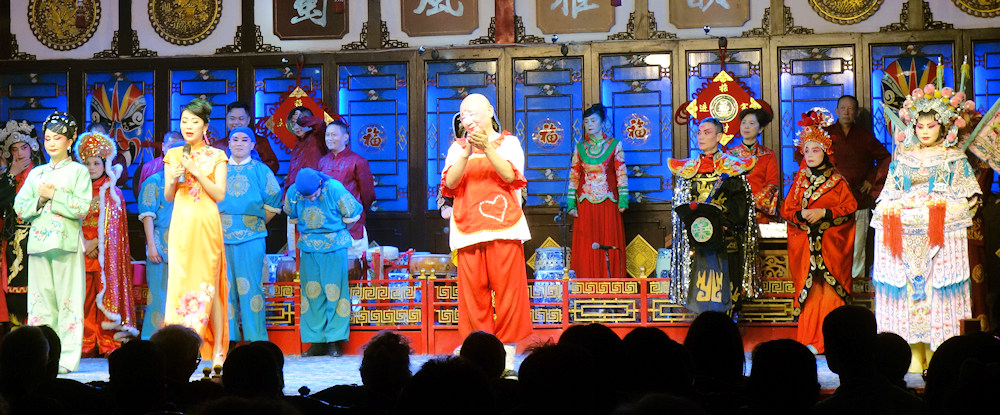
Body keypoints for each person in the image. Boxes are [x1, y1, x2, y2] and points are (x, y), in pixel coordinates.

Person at [871, 83, 980, 373]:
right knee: (906, 295)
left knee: (939, 293)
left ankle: (940, 353)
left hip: (940, 237)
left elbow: (970, 200)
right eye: (919, 126)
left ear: (943, 127)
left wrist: (942, 209)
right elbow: (888, 195)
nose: (924, 131)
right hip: (904, 235)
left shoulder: (954, 158)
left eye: (931, 126)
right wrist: (895, 208)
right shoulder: (903, 158)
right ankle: (906, 353)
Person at [441, 93, 533, 364]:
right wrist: (467, 152)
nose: (467, 120)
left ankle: (507, 355)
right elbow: (450, 184)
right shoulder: (457, 148)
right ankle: (478, 355)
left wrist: (488, 149)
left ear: (490, 111)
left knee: (509, 293)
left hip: (504, 228)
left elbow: (510, 175)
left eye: (472, 113)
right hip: (467, 228)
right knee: (473, 297)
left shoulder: (510, 143)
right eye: (463, 115)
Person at [13, 112, 92, 373]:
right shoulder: (37, 173)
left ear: (70, 141)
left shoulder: (79, 171)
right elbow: (20, 207)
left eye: (57, 138)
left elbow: (81, 208)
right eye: (47, 138)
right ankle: (41, 357)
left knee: (69, 301)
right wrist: (40, 200)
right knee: (40, 303)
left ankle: (66, 359)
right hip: (38, 245)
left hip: (66, 243)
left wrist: (54, 196)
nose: (51, 143)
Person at [781, 111, 857, 354]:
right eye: (807, 151)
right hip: (806, 248)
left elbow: (850, 209)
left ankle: (834, 342)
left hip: (831, 248)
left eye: (815, 150)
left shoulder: (837, 181)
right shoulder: (799, 181)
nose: (811, 155)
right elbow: (787, 210)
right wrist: (801, 215)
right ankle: (810, 340)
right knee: (811, 293)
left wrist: (825, 213)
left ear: (826, 152)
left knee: (831, 292)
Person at [162, 98, 230, 367]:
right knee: (179, 285)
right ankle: (178, 349)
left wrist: (196, 171)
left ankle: (218, 351)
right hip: (181, 225)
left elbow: (219, 194)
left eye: (194, 121)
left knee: (208, 286)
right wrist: (173, 178)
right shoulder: (173, 155)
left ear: (205, 126)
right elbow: (169, 196)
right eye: (184, 121)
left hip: (205, 225)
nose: (188, 126)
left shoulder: (217, 156)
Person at [667, 118, 758, 314]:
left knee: (726, 293)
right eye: (699, 132)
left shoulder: (732, 169)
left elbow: (740, 210)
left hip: (726, 241)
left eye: (707, 132)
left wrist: (722, 220)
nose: (700, 136)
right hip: (697, 242)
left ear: (719, 137)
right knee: (700, 294)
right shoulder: (689, 170)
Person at [796, 96, 892, 280]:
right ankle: (833, 280)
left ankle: (857, 282)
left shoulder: (865, 136)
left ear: (856, 112)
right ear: (837, 111)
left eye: (851, 109)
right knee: (832, 244)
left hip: (858, 197)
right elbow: (803, 154)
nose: (847, 112)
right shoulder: (825, 134)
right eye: (843, 108)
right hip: (830, 199)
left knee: (858, 245)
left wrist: (871, 179)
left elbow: (885, 158)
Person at [284, 167, 362, 357]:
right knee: (311, 293)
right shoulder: (294, 192)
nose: (311, 199)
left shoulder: (334, 188)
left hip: (334, 246)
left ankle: (335, 340)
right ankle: (316, 341)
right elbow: (292, 217)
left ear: (320, 184)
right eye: (307, 196)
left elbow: (352, 216)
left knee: (335, 292)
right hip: (308, 247)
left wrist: (336, 232)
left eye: (313, 194)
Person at [219, 126, 281, 346]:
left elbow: (273, 200)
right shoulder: (218, 169)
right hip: (221, 235)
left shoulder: (261, 170)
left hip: (252, 235)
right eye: (235, 139)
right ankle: (229, 338)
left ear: (253, 145)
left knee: (251, 286)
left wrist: (254, 222)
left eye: (245, 140)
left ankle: (256, 338)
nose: (239, 143)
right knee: (225, 287)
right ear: (228, 143)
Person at [77, 131, 137, 356]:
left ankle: (106, 340)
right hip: (81, 250)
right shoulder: (77, 190)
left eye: (96, 163)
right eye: (87, 163)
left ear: (105, 164)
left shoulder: (113, 192)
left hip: (104, 255)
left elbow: (115, 228)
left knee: (104, 295)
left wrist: (96, 244)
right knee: (84, 298)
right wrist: (86, 244)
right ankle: (85, 341)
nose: (92, 167)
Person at [567, 103, 628, 278]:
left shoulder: (614, 145)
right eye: (586, 122)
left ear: (602, 122)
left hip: (608, 202)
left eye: (593, 121)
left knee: (608, 241)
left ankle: (611, 286)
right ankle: (586, 287)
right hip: (585, 203)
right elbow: (574, 176)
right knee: (586, 246)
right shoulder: (580, 148)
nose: (590, 125)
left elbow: (621, 173)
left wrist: (623, 199)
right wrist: (571, 203)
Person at [0, 120, 45, 328]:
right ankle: (17, 330)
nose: (19, 154)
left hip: (39, 236)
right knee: (16, 288)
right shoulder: (6, 177)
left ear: (32, 148)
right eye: (15, 149)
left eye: (24, 147)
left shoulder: (43, 173)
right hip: (13, 239)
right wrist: (11, 173)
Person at [138, 140, 184, 340]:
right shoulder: (154, 181)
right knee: (158, 296)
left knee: (184, 297)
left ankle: (181, 340)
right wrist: (152, 246)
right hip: (160, 242)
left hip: (184, 244)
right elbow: (147, 216)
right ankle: (151, 339)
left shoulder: (189, 183)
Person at [318, 119, 376, 258]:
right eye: (327, 135)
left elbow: (368, 195)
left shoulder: (358, 161)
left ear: (345, 137)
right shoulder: (322, 162)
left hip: (353, 225)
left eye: (333, 135)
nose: (329, 138)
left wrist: (356, 212)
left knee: (354, 265)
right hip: (327, 224)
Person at [726, 108, 780, 223]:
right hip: (735, 213)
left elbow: (772, 185)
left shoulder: (768, 155)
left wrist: (752, 202)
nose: (746, 126)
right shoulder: (730, 155)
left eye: (751, 123)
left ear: (760, 128)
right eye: (744, 123)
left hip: (759, 213)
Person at [210, 101, 280, 174]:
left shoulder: (260, 142)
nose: (236, 122)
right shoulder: (217, 146)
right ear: (227, 119)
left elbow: (273, 166)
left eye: (241, 119)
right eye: (232, 119)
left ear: (248, 120)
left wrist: (251, 169)